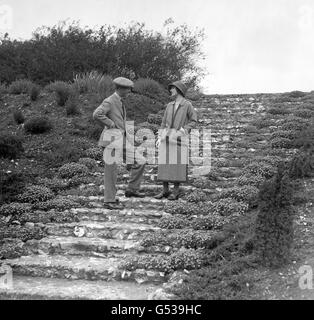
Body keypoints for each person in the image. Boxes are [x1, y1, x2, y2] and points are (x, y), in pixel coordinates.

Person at [93, 77, 146, 210]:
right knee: (111, 171)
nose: (129, 92)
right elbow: (96, 114)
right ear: (120, 88)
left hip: (121, 140)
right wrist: (111, 124)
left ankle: (132, 189)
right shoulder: (109, 101)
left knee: (140, 161)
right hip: (111, 141)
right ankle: (109, 201)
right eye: (127, 89)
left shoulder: (120, 101)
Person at [155, 81, 197, 200]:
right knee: (164, 164)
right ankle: (165, 190)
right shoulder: (169, 105)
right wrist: (159, 137)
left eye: (172, 88)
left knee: (177, 164)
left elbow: (193, 120)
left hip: (179, 139)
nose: (170, 91)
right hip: (166, 138)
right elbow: (163, 123)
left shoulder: (187, 105)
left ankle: (176, 191)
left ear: (178, 90)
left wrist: (184, 129)